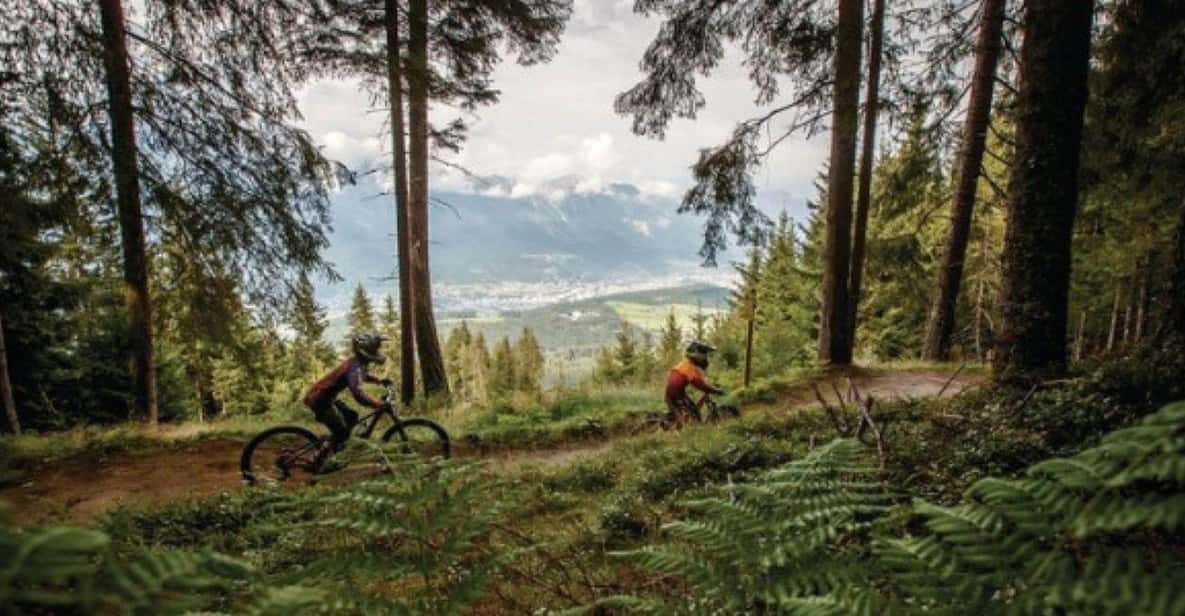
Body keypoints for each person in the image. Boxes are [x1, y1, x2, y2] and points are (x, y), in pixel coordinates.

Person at [303, 333, 392, 460]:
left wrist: (379, 380)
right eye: (374, 349)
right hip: (319, 400)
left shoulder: (358, 362)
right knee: (342, 432)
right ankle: (319, 459)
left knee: (352, 417)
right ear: (365, 351)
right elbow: (358, 394)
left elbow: (363, 375)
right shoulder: (355, 367)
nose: (377, 351)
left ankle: (336, 444)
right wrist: (376, 403)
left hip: (327, 397)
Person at [665, 341, 725, 425]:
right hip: (677, 395)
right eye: (705, 355)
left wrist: (709, 387)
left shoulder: (686, 364)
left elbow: (699, 380)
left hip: (673, 394)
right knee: (694, 415)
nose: (706, 359)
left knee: (685, 415)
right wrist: (715, 390)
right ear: (698, 355)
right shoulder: (689, 367)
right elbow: (700, 385)